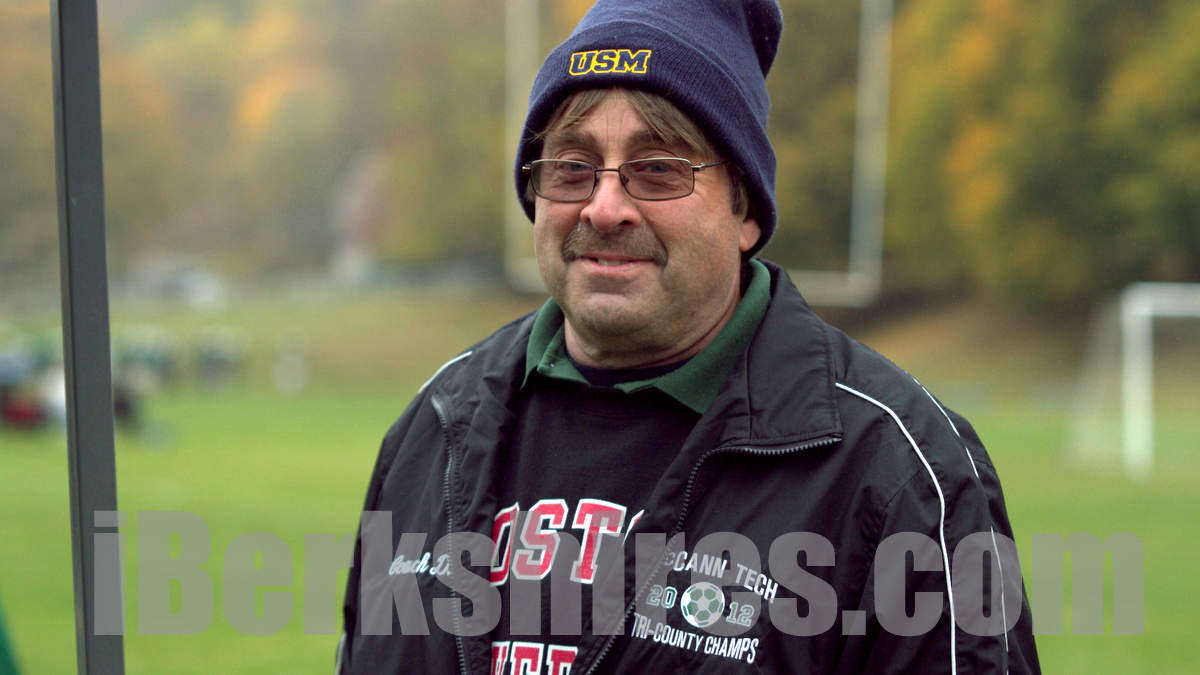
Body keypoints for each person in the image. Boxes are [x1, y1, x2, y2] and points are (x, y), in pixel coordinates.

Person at [339, 1, 1040, 673]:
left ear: (745, 209)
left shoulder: (898, 472)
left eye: (658, 170)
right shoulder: (437, 426)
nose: (604, 207)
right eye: (572, 167)